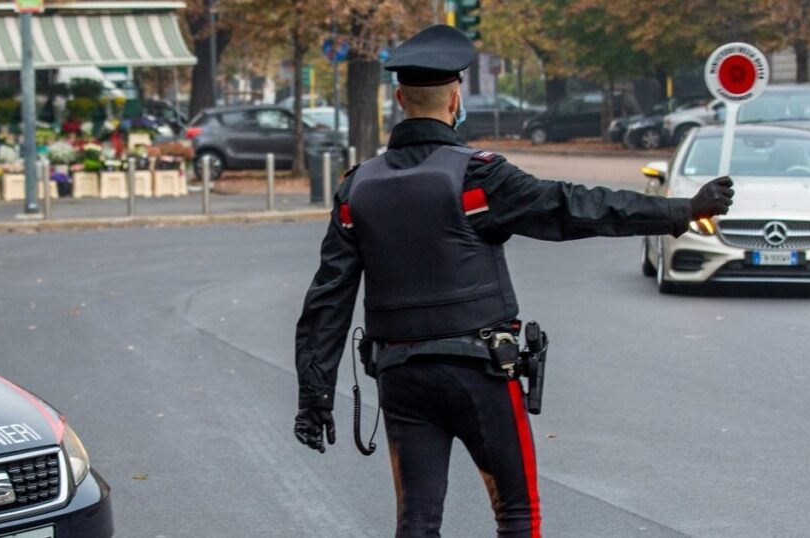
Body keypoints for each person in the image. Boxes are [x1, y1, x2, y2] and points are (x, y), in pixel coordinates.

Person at [293, 25, 734, 538]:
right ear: (457, 97)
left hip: (402, 378)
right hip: (480, 374)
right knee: (517, 515)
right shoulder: (477, 178)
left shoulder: (356, 188)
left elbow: (327, 301)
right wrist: (682, 210)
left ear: (399, 99)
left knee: (416, 521)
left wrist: (314, 397)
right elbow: (574, 208)